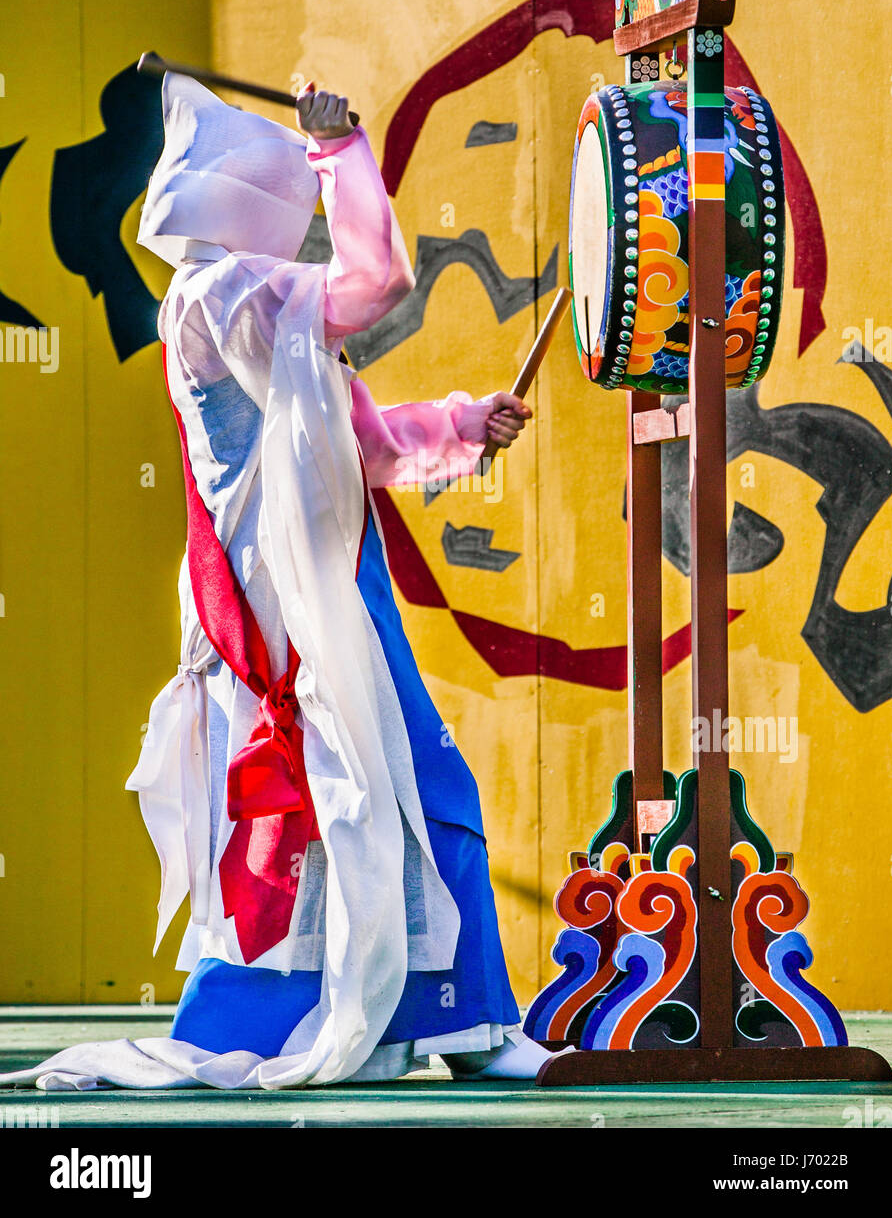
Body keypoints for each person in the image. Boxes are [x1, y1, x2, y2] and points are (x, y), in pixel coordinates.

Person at [0, 73, 553, 1091]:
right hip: (291, 600)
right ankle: (456, 1020)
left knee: (337, 804)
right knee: (371, 794)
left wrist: (470, 424)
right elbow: (376, 283)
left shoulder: (255, 315)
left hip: (313, 584)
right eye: (288, 194)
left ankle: (428, 1018)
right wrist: (340, 151)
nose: (302, 227)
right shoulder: (224, 296)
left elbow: (368, 445)